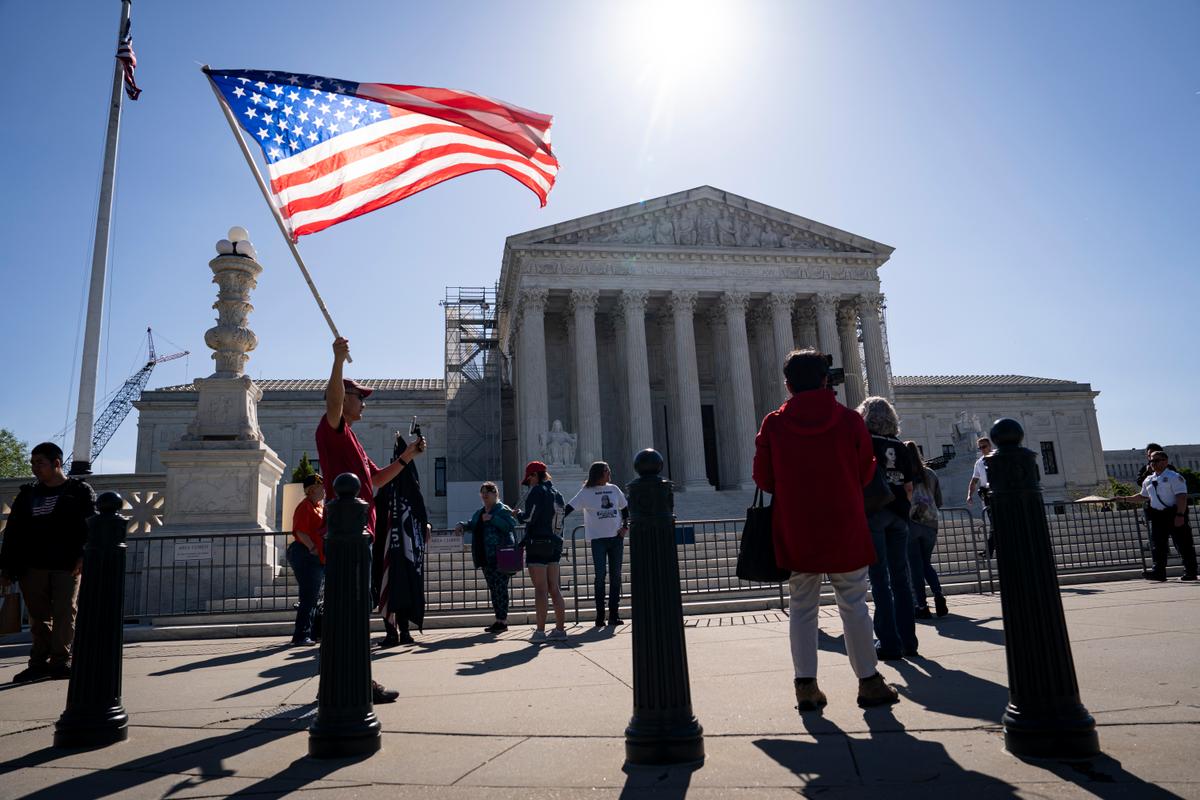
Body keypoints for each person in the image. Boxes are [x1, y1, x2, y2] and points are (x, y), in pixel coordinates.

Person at [753, 348, 898, 711]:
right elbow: (867, 471)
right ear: (825, 380)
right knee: (854, 604)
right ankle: (869, 682)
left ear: (787, 385)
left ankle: (806, 686)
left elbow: (763, 479)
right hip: (844, 525)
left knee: (802, 607)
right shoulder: (850, 421)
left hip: (797, 528)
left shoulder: (774, 424)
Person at [315, 336, 423, 704]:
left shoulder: (354, 443)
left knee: (352, 611)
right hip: (346, 535)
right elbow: (331, 401)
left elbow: (375, 481)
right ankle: (354, 681)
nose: (363, 402)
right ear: (344, 400)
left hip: (362, 535)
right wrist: (338, 362)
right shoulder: (334, 430)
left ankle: (342, 678)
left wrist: (407, 457)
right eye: (359, 396)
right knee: (350, 612)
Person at [0, 442, 96, 683]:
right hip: (31, 565)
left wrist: (84, 555)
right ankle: (38, 662)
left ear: (56, 463)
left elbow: (91, 527)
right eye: (32, 463)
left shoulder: (80, 491)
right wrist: (7, 568)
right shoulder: (27, 494)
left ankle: (61, 661)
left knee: (65, 613)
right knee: (37, 616)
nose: (35, 468)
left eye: (39, 463)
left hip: (67, 564)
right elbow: (13, 533)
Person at [857, 396, 919, 662]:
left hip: (874, 514)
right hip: (899, 517)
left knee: (880, 579)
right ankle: (909, 641)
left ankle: (888, 641)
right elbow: (908, 487)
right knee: (901, 579)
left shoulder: (865, 442)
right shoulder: (901, 446)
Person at [374, 431, 430, 647]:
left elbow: (420, 512)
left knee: (401, 587)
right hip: (390, 547)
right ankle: (394, 632)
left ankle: (402, 632)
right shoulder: (389, 487)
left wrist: (426, 525)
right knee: (391, 586)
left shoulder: (409, 488)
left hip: (403, 549)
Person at [1113, 450, 1197, 582]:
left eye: (1156, 460)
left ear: (1165, 461)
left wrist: (1180, 514)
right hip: (1158, 516)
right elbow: (1142, 496)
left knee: (1183, 544)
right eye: (1151, 461)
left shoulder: (1174, 477)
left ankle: (1190, 572)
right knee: (1157, 545)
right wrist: (1124, 499)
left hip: (1174, 513)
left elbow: (1181, 497)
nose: (1153, 464)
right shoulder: (1149, 479)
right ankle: (1159, 572)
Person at [563, 461, 629, 627]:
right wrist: (554, 519)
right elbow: (569, 508)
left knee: (616, 576)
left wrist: (625, 527)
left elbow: (625, 508)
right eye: (607, 471)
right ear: (599, 473)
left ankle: (614, 614)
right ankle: (600, 615)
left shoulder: (614, 489)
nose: (609, 474)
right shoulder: (586, 492)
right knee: (600, 576)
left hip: (616, 539)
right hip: (598, 540)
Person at [458, 482, 518, 633]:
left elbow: (510, 525)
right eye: (482, 493)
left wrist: (492, 519)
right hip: (485, 557)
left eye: (488, 492)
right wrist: (462, 526)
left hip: (502, 556)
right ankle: (498, 619)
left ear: (495, 494)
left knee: (501, 588)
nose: (484, 495)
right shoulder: (480, 512)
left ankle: (502, 620)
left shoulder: (502, 509)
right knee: (494, 588)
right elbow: (473, 524)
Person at [517, 461, 567, 642]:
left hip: (537, 543)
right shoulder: (557, 494)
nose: (528, 482)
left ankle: (540, 632)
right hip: (555, 543)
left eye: (529, 478)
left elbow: (529, 517)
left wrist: (517, 514)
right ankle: (560, 630)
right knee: (555, 588)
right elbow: (561, 520)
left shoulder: (537, 491)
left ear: (535, 475)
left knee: (540, 589)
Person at [904, 441, 947, 620]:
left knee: (915, 567)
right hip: (931, 523)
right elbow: (939, 501)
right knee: (925, 564)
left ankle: (922, 606)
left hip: (911, 523)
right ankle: (938, 595)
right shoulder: (930, 473)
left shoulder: (905, 474)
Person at [288, 473, 325, 646]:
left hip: (314, 556)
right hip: (304, 553)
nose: (323, 489)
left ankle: (310, 632)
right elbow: (300, 531)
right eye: (320, 486)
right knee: (309, 596)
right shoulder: (305, 506)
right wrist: (312, 547)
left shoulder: (318, 507)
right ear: (311, 490)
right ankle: (301, 635)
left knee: (313, 596)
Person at [966, 437, 996, 557]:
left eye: (984, 446)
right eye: (980, 447)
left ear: (990, 446)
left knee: (996, 525)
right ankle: (989, 551)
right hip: (988, 495)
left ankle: (989, 551)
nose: (982, 449)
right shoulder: (979, 463)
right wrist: (969, 495)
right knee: (994, 523)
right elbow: (973, 481)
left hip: (1000, 493)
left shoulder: (997, 458)